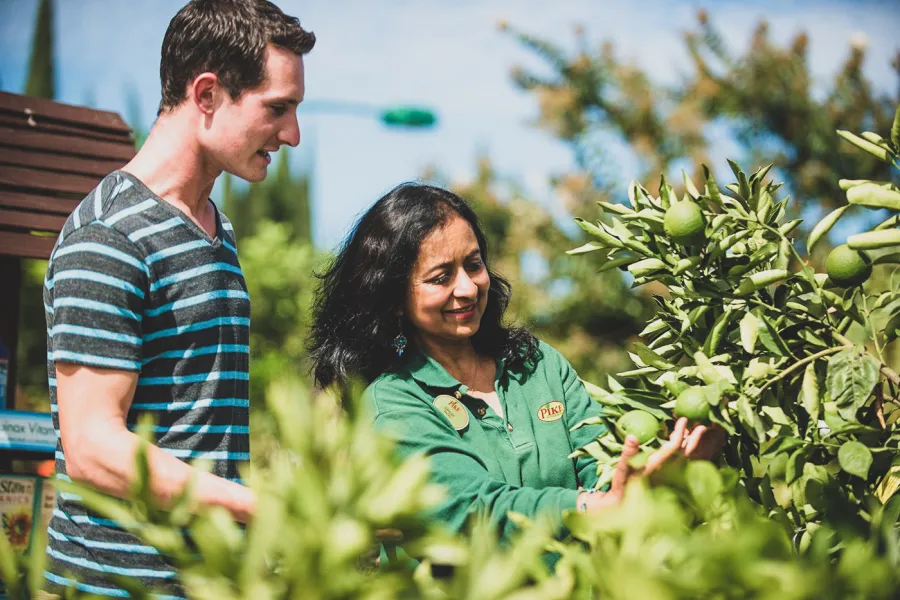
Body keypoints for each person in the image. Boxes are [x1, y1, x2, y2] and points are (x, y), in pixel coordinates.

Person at [42, 1, 314, 597]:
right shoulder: (110, 236)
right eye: (278, 108)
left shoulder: (213, 226)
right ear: (208, 93)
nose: (292, 134)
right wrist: (254, 507)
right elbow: (93, 449)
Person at [309, 183, 722, 554]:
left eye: (473, 264)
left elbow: (603, 459)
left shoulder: (538, 365)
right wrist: (588, 506)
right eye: (440, 277)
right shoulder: (392, 401)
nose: (468, 287)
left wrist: (653, 479)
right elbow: (473, 510)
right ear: (395, 299)